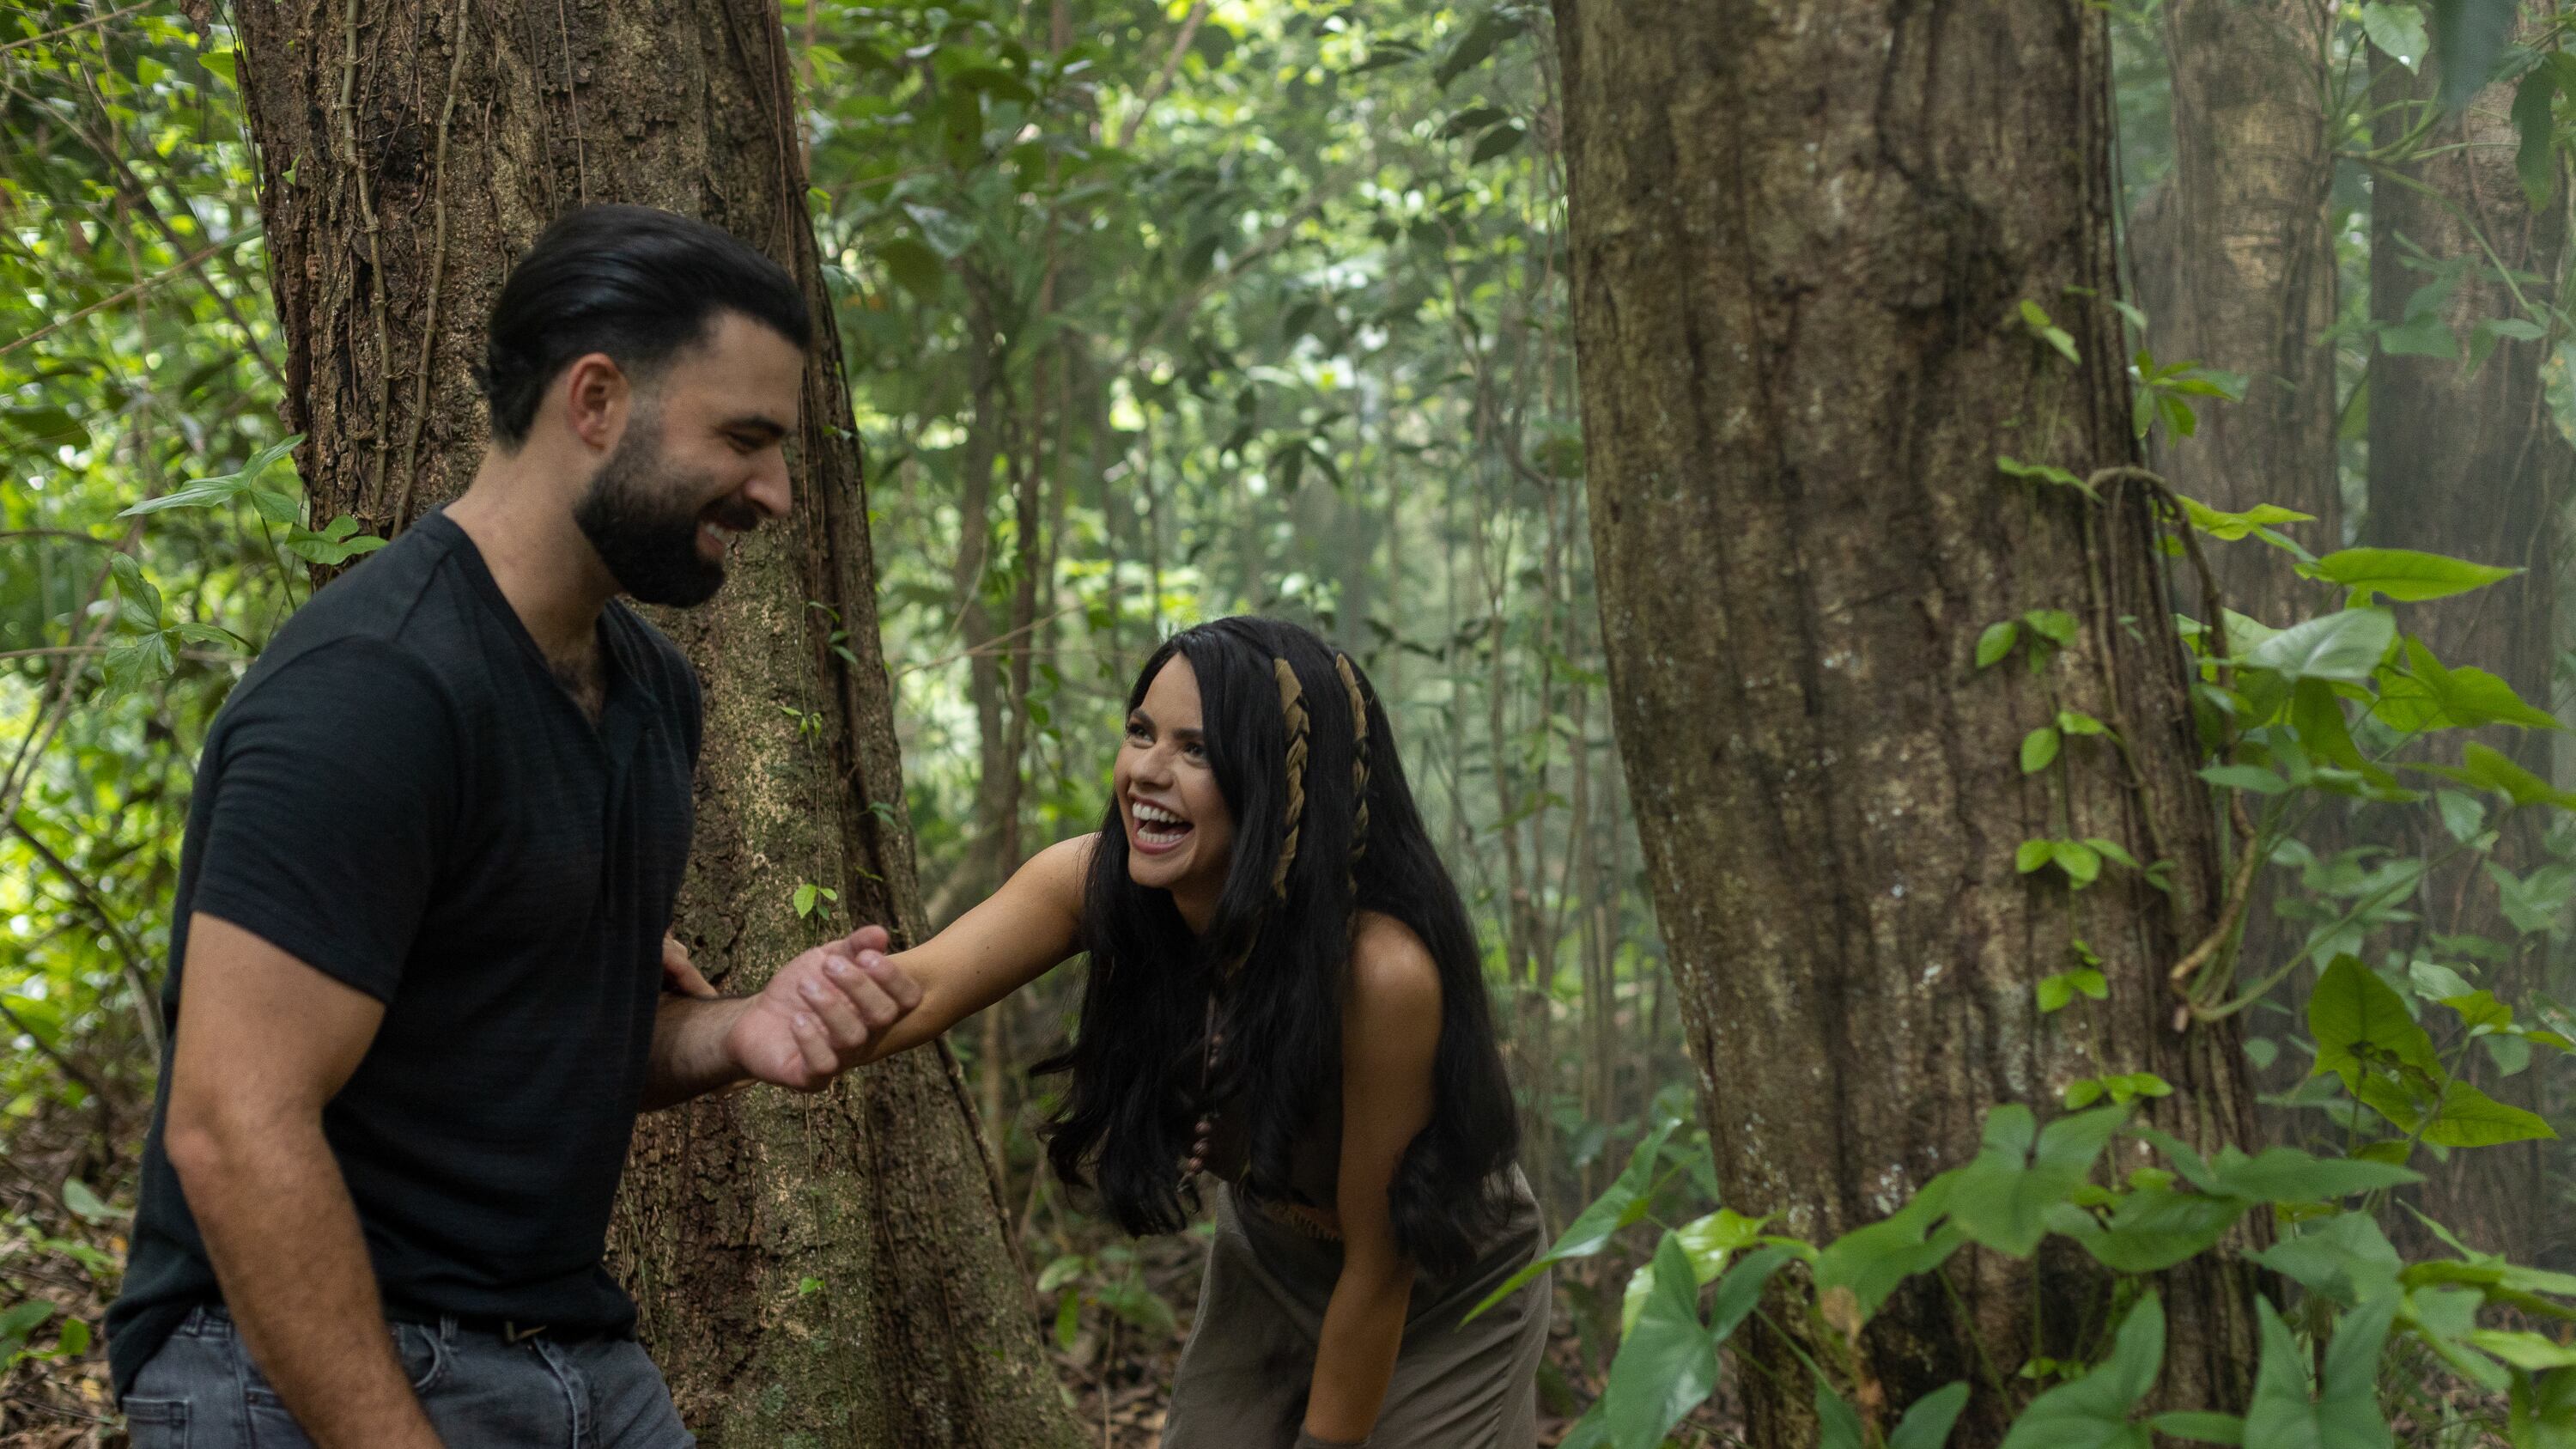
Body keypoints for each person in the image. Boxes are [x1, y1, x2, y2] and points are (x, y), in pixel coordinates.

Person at [105, 204, 924, 1449]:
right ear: (595, 400)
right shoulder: (372, 687)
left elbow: (520, 1031)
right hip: (293, 1362)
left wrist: (734, 1028)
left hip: (573, 1354)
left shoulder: (655, 692)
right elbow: (231, 1122)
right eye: (746, 438)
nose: (776, 491)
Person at [850, 615, 1548, 1449]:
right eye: (1141, 733)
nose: (1148, 771)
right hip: (1271, 1248)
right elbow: (915, 989)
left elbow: (1381, 1262)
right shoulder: (1092, 881)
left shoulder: (1380, 972)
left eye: (1196, 749)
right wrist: (734, 1026)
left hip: (1438, 1271)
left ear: (1283, 786)